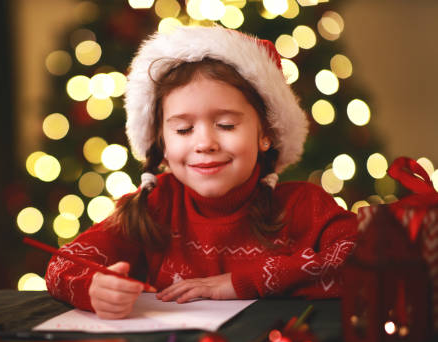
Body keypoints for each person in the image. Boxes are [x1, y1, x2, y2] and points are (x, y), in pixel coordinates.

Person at [45, 25, 357, 319]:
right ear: (162, 143)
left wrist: (241, 283)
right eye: (183, 129)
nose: (205, 143)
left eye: (226, 125)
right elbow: (61, 266)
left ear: (266, 134)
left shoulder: (305, 206)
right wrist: (94, 287)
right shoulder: (152, 208)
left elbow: (365, 257)